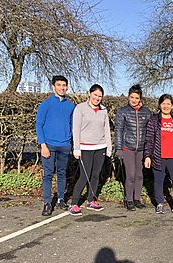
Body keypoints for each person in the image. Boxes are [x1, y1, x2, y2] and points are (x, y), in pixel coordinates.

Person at [69, 84, 112, 216]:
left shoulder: (103, 110)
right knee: (84, 175)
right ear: (89, 94)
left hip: (100, 147)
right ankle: (74, 203)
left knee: (95, 175)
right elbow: (75, 129)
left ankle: (91, 200)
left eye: (100, 96)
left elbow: (106, 130)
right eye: (95, 95)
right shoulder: (80, 108)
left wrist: (109, 148)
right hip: (85, 147)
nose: (97, 98)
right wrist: (76, 148)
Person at [35, 75, 75, 216]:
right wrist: (43, 145)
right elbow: (39, 125)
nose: (62, 88)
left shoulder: (71, 106)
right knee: (48, 175)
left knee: (62, 173)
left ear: (67, 87)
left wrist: (70, 142)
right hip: (49, 145)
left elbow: (72, 126)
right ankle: (47, 203)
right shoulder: (45, 104)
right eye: (59, 85)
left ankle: (60, 200)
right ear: (53, 87)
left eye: (64, 85)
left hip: (64, 145)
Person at [144, 94, 173, 215]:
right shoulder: (154, 120)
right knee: (158, 180)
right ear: (159, 105)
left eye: (168, 104)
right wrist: (147, 156)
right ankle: (159, 204)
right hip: (158, 156)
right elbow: (149, 139)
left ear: (172, 106)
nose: (166, 106)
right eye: (163, 104)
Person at [114, 84, 152, 211]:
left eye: (136, 98)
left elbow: (150, 132)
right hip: (127, 147)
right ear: (128, 97)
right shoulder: (122, 111)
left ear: (140, 98)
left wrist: (149, 150)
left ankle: (137, 199)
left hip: (141, 149)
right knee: (130, 175)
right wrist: (118, 148)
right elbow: (118, 130)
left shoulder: (147, 112)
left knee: (139, 175)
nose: (134, 100)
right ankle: (129, 200)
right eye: (132, 97)